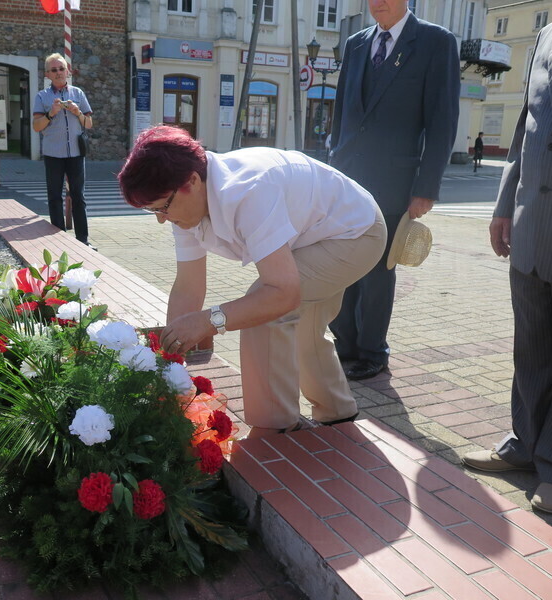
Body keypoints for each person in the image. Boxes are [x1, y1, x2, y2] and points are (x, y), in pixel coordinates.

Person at [118, 126, 387, 439]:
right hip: (315, 233)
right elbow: (188, 287)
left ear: (191, 181)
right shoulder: (183, 202)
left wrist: (210, 321)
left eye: (161, 207)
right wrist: (171, 366)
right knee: (303, 323)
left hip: (356, 232)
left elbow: (281, 294)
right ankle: (339, 414)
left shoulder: (248, 191)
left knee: (263, 308)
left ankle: (274, 430)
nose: (161, 219)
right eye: (152, 210)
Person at [463, 0, 552, 514]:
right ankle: (527, 443)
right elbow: (526, 127)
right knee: (531, 348)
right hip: (534, 226)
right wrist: (503, 206)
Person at [328, 0, 460, 381]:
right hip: (347, 181)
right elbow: (342, 115)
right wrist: (333, 172)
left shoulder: (435, 42)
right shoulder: (355, 43)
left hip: (395, 182)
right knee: (343, 265)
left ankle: (372, 352)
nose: (377, 3)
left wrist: (426, 187)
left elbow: (442, 121)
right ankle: (345, 345)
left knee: (377, 271)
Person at [33, 53, 94, 245]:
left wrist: (78, 113)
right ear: (47, 74)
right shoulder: (42, 96)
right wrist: (51, 113)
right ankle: (59, 240)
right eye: (54, 70)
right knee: (54, 197)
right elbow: (36, 126)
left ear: (67, 71)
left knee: (78, 196)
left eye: (61, 68)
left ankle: (83, 240)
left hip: (75, 153)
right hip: (53, 154)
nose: (58, 73)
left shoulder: (78, 93)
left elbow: (89, 124)